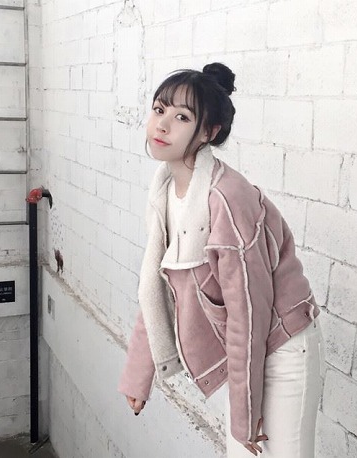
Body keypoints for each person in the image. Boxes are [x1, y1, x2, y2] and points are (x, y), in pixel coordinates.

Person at [118, 62, 324, 457]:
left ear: (209, 132)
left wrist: (244, 416)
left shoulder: (226, 199)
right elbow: (159, 286)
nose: (163, 125)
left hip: (282, 347)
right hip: (244, 351)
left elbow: (249, 313)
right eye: (159, 110)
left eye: (182, 117)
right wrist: (138, 375)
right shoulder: (165, 191)